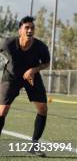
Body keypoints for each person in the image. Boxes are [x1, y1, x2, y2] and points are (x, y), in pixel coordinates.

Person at [0, 16, 50, 157]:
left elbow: (46, 63)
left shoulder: (40, 47)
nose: (30, 30)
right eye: (26, 27)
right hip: (11, 77)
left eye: (32, 28)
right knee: (2, 111)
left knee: (43, 108)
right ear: (20, 30)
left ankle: (34, 145)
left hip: (31, 77)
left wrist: (34, 70)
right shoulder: (8, 43)